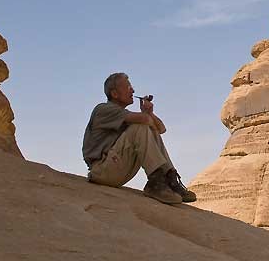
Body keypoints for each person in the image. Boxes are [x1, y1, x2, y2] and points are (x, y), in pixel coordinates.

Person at [82, 72, 196, 204]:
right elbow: (146, 121)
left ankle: (170, 179)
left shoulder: (124, 116)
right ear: (114, 94)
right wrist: (146, 115)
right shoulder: (103, 109)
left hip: (115, 168)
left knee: (148, 128)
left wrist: (149, 113)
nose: (133, 90)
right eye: (128, 87)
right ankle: (156, 182)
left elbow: (161, 129)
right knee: (141, 127)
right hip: (102, 170)